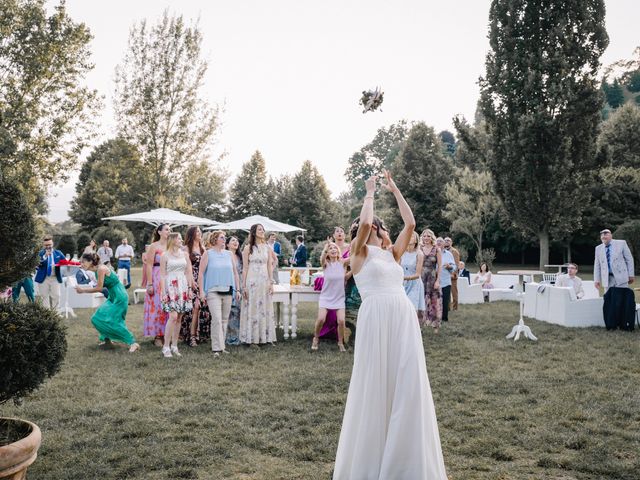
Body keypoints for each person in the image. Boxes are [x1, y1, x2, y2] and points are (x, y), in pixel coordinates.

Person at [333, 171, 447, 479]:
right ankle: (373, 458)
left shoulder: (393, 253)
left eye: (382, 228)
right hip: (376, 317)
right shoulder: (358, 254)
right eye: (379, 227)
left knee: (406, 382)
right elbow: (366, 223)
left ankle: (404, 459)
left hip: (402, 318)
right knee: (376, 383)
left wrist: (395, 188)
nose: (381, 230)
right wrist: (369, 193)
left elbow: (410, 223)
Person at [75, 253, 139, 353]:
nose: (81, 264)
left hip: (120, 296)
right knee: (96, 318)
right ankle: (107, 341)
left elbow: (100, 288)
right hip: (112, 296)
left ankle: (133, 343)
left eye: (83, 262)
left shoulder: (101, 269)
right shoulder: (96, 270)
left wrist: (83, 290)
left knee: (115, 321)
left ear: (90, 262)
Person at [199, 231, 241, 357]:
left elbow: (235, 273)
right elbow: (201, 273)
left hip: (228, 290)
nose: (224, 240)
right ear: (215, 239)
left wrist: (237, 290)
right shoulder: (208, 254)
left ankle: (222, 347)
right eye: (222, 238)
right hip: (212, 291)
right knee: (216, 319)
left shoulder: (229, 254)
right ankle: (216, 348)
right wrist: (201, 291)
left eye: (224, 238)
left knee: (223, 320)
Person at [240, 223, 277, 346]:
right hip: (252, 281)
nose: (262, 231)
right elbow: (245, 268)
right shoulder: (247, 248)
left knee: (264, 307)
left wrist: (271, 282)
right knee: (253, 307)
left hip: (264, 281)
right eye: (259, 229)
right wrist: (243, 286)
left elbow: (270, 266)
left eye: (263, 229)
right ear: (254, 232)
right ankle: (252, 339)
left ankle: (265, 337)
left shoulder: (267, 248)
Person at [594, 228, 635, 330]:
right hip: (607, 278)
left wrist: (631, 274)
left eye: (606, 234)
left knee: (622, 301)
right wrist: (596, 279)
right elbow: (597, 265)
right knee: (609, 301)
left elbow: (629, 259)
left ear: (611, 235)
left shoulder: (621, 243)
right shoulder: (598, 248)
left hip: (621, 277)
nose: (604, 236)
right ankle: (611, 324)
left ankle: (623, 323)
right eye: (602, 235)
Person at [160, 232, 194, 358]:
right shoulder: (165, 255)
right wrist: (163, 292)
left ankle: (174, 346)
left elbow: (188, 272)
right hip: (170, 287)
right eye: (179, 238)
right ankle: (166, 347)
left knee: (179, 318)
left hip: (183, 287)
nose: (181, 240)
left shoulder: (185, 254)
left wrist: (190, 288)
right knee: (173, 316)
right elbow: (162, 275)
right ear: (173, 240)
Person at [311, 242, 347, 352]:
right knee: (321, 319)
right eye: (330, 248)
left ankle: (340, 342)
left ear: (338, 251)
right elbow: (322, 256)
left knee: (341, 321)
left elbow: (354, 256)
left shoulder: (343, 263)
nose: (333, 249)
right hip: (326, 297)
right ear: (327, 252)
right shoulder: (325, 263)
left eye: (335, 248)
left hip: (339, 298)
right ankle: (316, 338)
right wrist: (327, 246)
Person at [180, 227, 211, 347]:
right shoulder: (186, 248)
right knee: (194, 308)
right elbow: (186, 268)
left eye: (200, 231)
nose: (200, 233)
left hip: (203, 280)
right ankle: (191, 336)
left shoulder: (204, 248)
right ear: (192, 234)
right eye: (197, 231)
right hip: (191, 280)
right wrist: (191, 282)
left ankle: (201, 334)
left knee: (203, 308)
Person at [144, 224, 170, 347]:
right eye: (166, 229)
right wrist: (150, 284)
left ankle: (168, 334)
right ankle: (158, 335)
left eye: (170, 230)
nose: (169, 232)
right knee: (158, 305)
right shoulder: (154, 246)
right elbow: (149, 265)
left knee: (169, 306)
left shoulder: (171, 245)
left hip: (170, 278)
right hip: (157, 276)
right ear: (159, 232)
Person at [420, 228, 442, 332]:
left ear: (432, 237)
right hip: (421, 277)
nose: (426, 238)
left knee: (435, 301)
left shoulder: (436, 249)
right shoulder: (419, 248)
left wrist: (438, 280)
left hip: (433, 277)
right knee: (422, 300)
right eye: (424, 236)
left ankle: (436, 325)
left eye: (428, 236)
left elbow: (440, 266)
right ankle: (422, 322)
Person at [34, 236, 65, 309]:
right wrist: (45, 256)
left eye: (49, 244)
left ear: (52, 244)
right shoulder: (40, 254)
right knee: (44, 296)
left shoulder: (58, 253)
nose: (48, 247)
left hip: (55, 277)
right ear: (43, 245)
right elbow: (37, 264)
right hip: (44, 278)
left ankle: (56, 313)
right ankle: (46, 313)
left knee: (57, 295)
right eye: (46, 245)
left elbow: (65, 262)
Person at [401, 231, 425, 318]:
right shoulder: (402, 252)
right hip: (402, 284)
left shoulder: (419, 254)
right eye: (408, 235)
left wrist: (404, 278)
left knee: (412, 308)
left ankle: (414, 329)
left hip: (414, 283)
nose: (409, 237)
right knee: (402, 308)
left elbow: (418, 274)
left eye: (412, 236)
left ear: (416, 240)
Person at [225, 236, 243, 346]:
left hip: (240, 284)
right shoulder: (225, 256)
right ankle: (228, 337)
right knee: (229, 311)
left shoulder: (240, 257)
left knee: (238, 311)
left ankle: (238, 335)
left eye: (237, 241)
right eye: (233, 241)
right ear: (227, 244)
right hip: (229, 283)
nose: (236, 242)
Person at [437, 237, 457, 323]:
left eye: (441, 241)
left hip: (445, 281)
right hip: (434, 281)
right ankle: (435, 317)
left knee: (445, 300)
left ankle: (444, 318)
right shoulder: (432, 253)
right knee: (435, 300)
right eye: (437, 241)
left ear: (444, 244)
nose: (439, 242)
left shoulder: (449, 254)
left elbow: (454, 267)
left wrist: (450, 266)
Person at [444, 237, 461, 311]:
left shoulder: (454, 251)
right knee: (446, 292)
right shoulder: (442, 250)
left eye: (448, 240)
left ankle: (455, 308)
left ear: (451, 242)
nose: (446, 241)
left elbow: (456, 264)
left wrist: (453, 273)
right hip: (444, 275)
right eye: (445, 240)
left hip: (452, 275)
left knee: (454, 292)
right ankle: (447, 308)